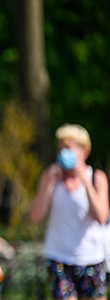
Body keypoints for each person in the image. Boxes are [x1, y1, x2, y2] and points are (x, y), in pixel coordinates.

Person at [30, 124, 109, 300]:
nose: (63, 152)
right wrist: (49, 182)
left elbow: (102, 217)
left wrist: (85, 182)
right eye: (61, 148)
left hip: (91, 257)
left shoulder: (96, 177)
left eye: (69, 148)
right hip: (59, 257)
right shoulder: (51, 177)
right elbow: (35, 216)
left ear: (84, 152)